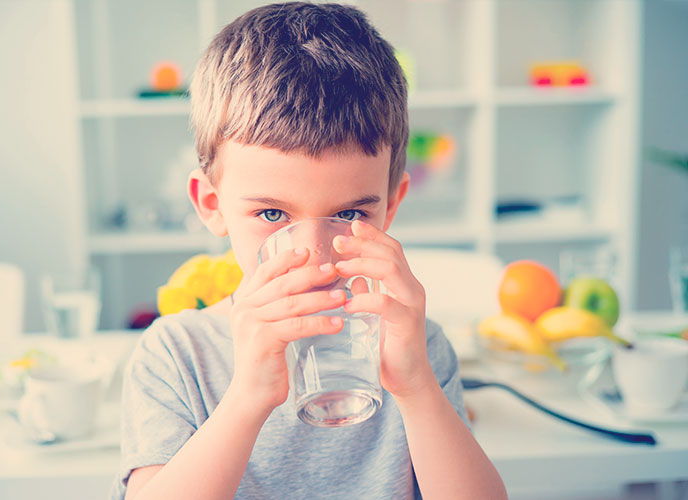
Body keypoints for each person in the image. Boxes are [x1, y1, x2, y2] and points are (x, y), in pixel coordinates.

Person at [112, 3, 507, 499]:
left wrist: (418, 388)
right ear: (212, 206)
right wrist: (248, 397)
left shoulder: (419, 349)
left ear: (391, 205)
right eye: (273, 216)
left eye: (349, 215)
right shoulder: (176, 354)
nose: (316, 260)